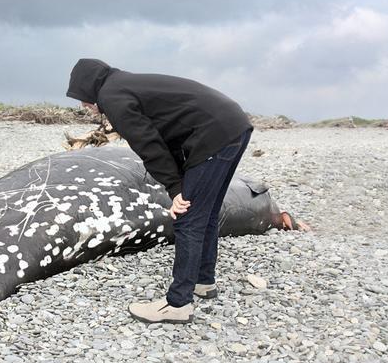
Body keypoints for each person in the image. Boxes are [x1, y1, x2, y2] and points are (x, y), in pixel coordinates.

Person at [66, 58, 253, 324]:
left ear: (89, 87)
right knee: (205, 211)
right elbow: (169, 135)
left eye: (82, 97)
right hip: (233, 125)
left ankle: (178, 303)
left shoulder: (113, 97)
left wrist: (176, 189)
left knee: (188, 217)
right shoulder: (124, 84)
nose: (83, 104)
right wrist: (180, 180)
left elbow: (149, 145)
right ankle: (203, 281)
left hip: (214, 134)